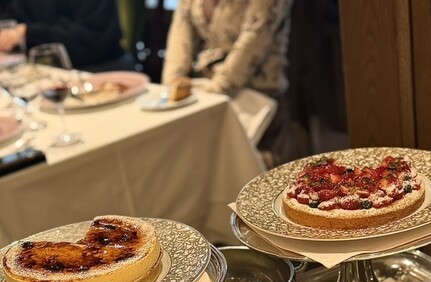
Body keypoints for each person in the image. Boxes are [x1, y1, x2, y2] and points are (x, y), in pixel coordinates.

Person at [162, 0, 295, 167]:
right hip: (206, 93)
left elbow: (252, 45)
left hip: (258, 97)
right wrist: (173, 88)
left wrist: (209, 94)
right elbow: (179, 38)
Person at [0, 0, 136, 72]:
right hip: (44, 71)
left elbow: (91, 40)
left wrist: (28, 32)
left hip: (101, 67)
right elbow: (9, 19)